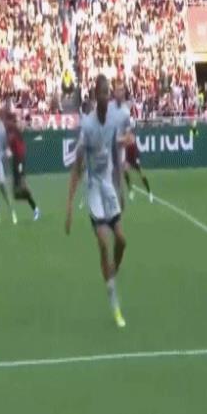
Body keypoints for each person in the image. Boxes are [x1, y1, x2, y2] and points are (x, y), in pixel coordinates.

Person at [65, 74, 127, 328]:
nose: (106, 96)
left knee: (121, 241)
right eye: (102, 92)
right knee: (103, 242)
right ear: (95, 96)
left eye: (107, 92)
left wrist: (120, 186)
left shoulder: (112, 119)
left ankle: (111, 275)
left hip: (108, 185)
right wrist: (69, 205)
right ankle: (113, 299)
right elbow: (77, 167)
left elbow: (114, 152)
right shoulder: (88, 126)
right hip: (93, 188)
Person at [109, 79, 153, 203]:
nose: (120, 92)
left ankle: (149, 192)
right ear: (114, 92)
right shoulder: (109, 108)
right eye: (118, 89)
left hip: (130, 150)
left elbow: (128, 136)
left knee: (140, 172)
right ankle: (130, 190)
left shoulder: (125, 112)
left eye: (122, 90)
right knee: (124, 170)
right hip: (118, 149)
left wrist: (120, 139)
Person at [5, 113, 40, 221]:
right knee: (16, 194)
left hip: (20, 160)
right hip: (15, 161)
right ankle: (33, 203)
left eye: (8, 121)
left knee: (22, 185)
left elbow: (22, 127)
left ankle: (35, 209)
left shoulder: (16, 131)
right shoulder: (9, 133)